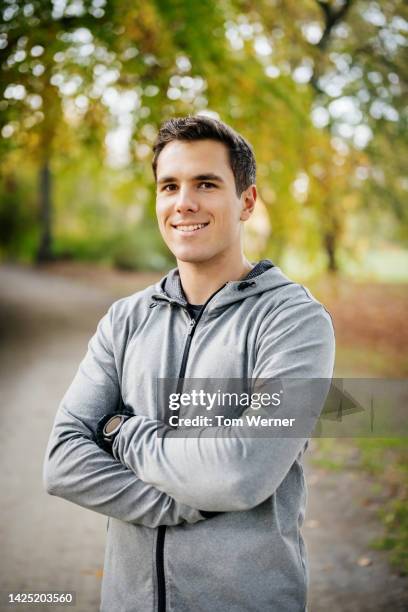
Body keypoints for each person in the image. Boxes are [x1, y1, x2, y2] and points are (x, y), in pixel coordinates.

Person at [43, 115, 335, 612]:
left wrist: (121, 432)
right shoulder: (126, 319)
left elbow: (244, 472)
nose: (184, 203)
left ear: (246, 201)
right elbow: (64, 462)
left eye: (206, 183)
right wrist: (187, 503)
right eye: (169, 186)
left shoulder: (293, 322)